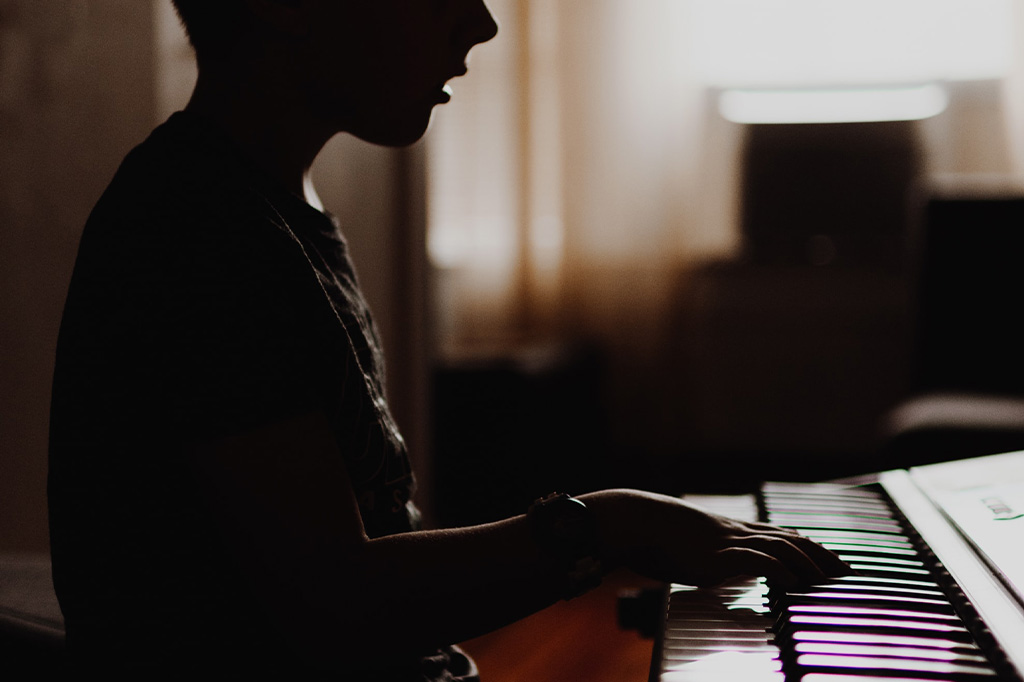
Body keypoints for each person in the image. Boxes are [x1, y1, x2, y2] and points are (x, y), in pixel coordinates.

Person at [47, 0, 851, 679]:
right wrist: (601, 526)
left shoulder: (265, 209)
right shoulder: (194, 231)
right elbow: (332, 603)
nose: (482, 24)